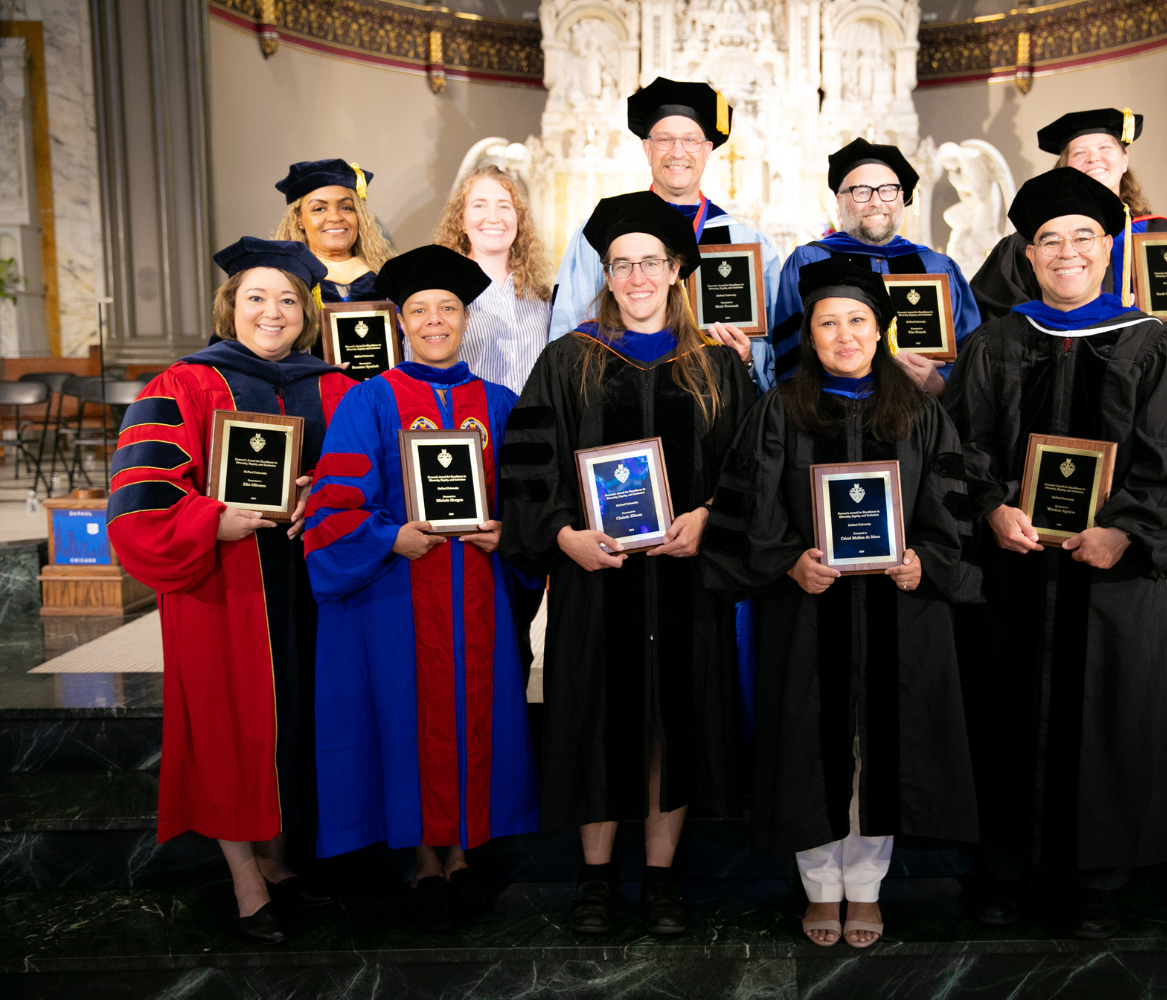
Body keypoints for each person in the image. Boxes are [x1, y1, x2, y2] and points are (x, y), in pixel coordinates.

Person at [942, 168, 1167, 939]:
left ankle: (1099, 880)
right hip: (1011, 571)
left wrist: (1125, 527)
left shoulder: (1150, 345)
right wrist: (992, 508)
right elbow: (958, 447)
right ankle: (1002, 871)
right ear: (1028, 256)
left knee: (1108, 715)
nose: (1067, 252)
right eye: (1049, 240)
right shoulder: (994, 341)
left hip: (1111, 577)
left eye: (1083, 239)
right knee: (1002, 710)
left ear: (1107, 250)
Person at [701, 256, 981, 949]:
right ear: (812, 335)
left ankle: (868, 889)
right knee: (810, 748)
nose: (844, 334)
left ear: (880, 329)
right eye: (829, 323)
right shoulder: (778, 411)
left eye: (857, 320)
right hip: (807, 613)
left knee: (883, 747)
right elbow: (747, 512)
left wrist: (930, 561)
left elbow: (954, 506)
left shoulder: (919, 413)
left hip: (900, 611)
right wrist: (787, 561)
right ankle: (821, 888)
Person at [499, 192, 755, 937]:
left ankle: (664, 879)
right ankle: (597, 879)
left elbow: (747, 467)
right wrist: (559, 534)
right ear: (605, 274)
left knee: (672, 725)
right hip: (596, 582)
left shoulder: (715, 366)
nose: (637, 275)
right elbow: (527, 469)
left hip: (686, 581)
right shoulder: (567, 360)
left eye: (651, 262)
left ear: (677, 270)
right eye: (622, 264)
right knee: (597, 721)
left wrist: (711, 518)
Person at [106, 238, 357, 943]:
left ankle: (280, 864)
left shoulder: (336, 386)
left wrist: (324, 493)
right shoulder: (181, 385)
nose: (270, 313)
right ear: (230, 307)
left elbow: (363, 482)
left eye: (286, 300)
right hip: (223, 589)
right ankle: (247, 884)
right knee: (229, 726)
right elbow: (140, 501)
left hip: (313, 589)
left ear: (305, 314)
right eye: (255, 298)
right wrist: (213, 518)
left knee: (298, 721)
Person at [302, 244, 541, 932]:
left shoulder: (500, 403)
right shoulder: (369, 400)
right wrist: (387, 538)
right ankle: (423, 862)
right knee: (409, 718)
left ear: (465, 318)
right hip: (399, 595)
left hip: (478, 593)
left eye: (448, 309)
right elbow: (333, 503)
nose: (435, 321)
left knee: (473, 712)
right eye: (420, 310)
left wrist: (510, 533)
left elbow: (531, 502)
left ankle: (463, 854)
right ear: (400, 321)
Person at [547, 78, 780, 391]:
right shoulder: (601, 234)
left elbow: (774, 354)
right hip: (621, 397)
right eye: (665, 140)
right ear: (647, 148)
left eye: (691, 140)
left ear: (708, 149)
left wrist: (748, 360)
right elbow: (568, 329)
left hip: (718, 404)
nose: (678, 152)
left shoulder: (744, 242)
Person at [968, 108, 1167, 365]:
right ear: (1065, 167)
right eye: (1080, 152)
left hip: (1144, 376)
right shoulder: (1027, 245)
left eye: (1105, 148)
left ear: (1124, 160)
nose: (1094, 158)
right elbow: (997, 327)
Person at [771, 138, 981, 391]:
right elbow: (789, 350)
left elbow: (969, 351)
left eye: (888, 190)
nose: (876, 202)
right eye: (861, 191)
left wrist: (941, 384)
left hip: (921, 417)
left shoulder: (937, 266)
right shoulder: (810, 261)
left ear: (902, 198)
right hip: (830, 414)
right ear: (839, 202)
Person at [429, 164, 552, 395]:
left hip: (534, 427)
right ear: (461, 221)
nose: (493, 217)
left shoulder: (540, 295)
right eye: (479, 206)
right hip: (473, 424)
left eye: (504, 207)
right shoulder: (440, 294)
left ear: (519, 219)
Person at [274, 158, 395, 308]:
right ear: (298, 219)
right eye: (319, 209)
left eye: (346, 208)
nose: (335, 217)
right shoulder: (286, 280)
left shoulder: (389, 278)